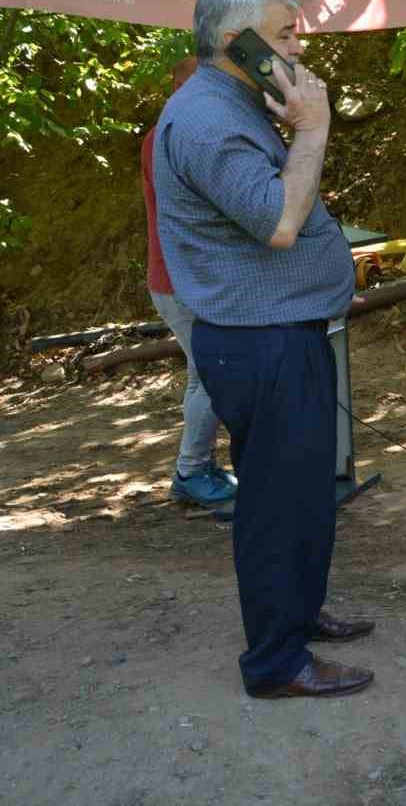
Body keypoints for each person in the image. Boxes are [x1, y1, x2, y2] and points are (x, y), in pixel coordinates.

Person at [153, 0, 374, 700]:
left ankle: (299, 617)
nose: (298, 47)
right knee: (277, 506)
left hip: (279, 333)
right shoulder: (207, 119)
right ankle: (276, 663)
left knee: (305, 492)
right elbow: (279, 222)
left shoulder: (233, 102)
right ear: (233, 42)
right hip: (260, 340)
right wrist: (313, 127)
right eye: (283, 34)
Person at [141, 55, 236, 508]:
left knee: (208, 375)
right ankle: (192, 470)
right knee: (213, 374)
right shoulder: (168, 137)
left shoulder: (172, 133)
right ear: (182, 87)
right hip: (182, 280)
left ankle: (200, 466)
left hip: (189, 277)